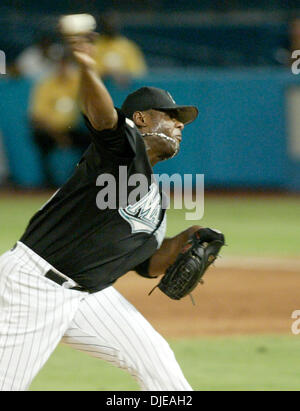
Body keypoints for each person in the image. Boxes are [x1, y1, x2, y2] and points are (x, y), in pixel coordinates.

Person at [0, 32, 213, 391]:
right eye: (172, 116)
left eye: (182, 121)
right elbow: (102, 117)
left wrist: (185, 242)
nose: (180, 125)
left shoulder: (154, 201)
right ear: (141, 119)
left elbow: (146, 263)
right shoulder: (120, 154)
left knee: (158, 364)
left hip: (89, 294)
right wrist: (87, 69)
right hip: (33, 286)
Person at [29, 51, 89, 186]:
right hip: (50, 131)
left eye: (66, 63)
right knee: (40, 138)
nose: (63, 67)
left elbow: (88, 108)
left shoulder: (78, 82)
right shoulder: (46, 84)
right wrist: (59, 136)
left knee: (94, 139)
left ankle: (84, 181)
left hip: (73, 129)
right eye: (60, 64)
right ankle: (48, 182)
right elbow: (37, 116)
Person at [93, 13, 147, 86]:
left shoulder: (127, 46)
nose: (110, 27)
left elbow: (138, 71)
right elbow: (89, 71)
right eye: (108, 25)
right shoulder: (94, 47)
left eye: (113, 25)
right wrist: (107, 72)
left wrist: (122, 73)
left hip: (122, 91)